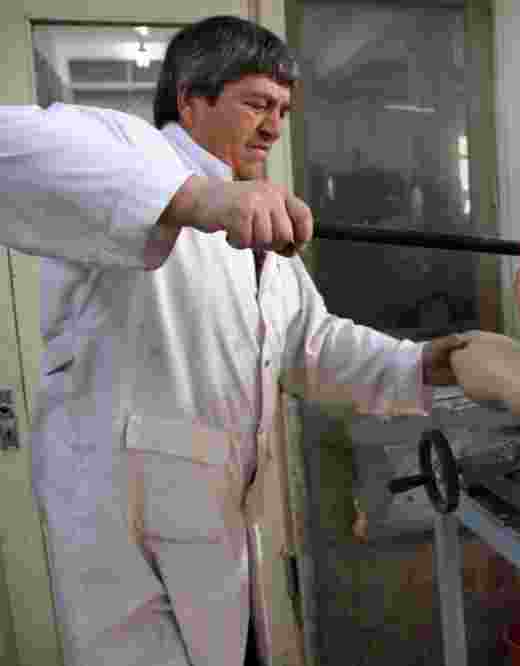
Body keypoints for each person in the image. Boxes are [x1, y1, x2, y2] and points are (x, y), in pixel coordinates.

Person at [0, 15, 468, 666]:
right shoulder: (135, 153)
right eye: (257, 103)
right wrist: (193, 198)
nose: (275, 125)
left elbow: (312, 342)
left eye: (282, 108)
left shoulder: (252, 218)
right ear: (191, 99)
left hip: (218, 528)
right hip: (124, 542)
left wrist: (422, 364)